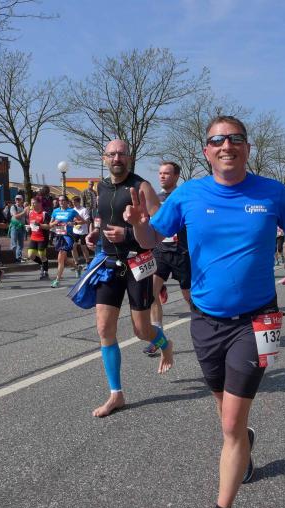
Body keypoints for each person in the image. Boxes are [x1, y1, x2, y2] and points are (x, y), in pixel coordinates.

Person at [124, 115, 285, 508]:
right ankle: (243, 446)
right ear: (207, 151)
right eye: (218, 140)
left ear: (247, 148)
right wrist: (139, 226)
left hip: (258, 320)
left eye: (235, 139)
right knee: (225, 413)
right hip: (205, 320)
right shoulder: (188, 194)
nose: (227, 145)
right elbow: (151, 241)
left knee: (232, 422)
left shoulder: (272, 192)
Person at [84, 138, 175, 418]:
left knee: (142, 331)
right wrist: (95, 235)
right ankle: (116, 394)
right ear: (104, 158)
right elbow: (104, 219)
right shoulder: (100, 187)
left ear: (129, 158)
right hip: (109, 264)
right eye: (111, 154)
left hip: (138, 262)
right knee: (104, 329)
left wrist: (128, 233)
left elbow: (159, 230)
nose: (116, 158)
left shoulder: (142, 187)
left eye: (121, 154)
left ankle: (165, 344)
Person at [143, 161, 192, 357]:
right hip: (161, 251)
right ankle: (158, 338)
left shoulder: (184, 197)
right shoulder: (155, 199)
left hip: (182, 253)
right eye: (160, 173)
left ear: (176, 176)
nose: (162, 176)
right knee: (151, 292)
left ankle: (208, 328)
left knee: (189, 297)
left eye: (167, 173)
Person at [48, 195, 83, 288]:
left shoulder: (72, 211)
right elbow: (50, 224)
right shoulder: (55, 211)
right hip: (59, 236)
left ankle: (57, 280)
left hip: (68, 237)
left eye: (63, 200)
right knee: (64, 259)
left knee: (60, 258)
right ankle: (77, 267)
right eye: (59, 200)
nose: (61, 202)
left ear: (67, 202)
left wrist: (74, 223)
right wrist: (54, 223)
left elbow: (83, 221)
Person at [26, 197, 51, 280]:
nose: (32, 205)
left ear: (40, 204)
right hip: (33, 237)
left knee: (42, 255)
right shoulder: (30, 213)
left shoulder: (44, 214)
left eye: (34, 203)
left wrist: (39, 225)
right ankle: (42, 265)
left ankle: (45, 272)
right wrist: (29, 227)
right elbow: (32, 224)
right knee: (30, 255)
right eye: (31, 203)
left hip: (42, 238)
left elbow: (48, 226)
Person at [70, 195, 92, 267]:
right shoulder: (72, 210)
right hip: (75, 231)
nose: (73, 204)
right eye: (72, 202)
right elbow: (71, 220)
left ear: (78, 202)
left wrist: (76, 223)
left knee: (83, 247)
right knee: (73, 247)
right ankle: (76, 263)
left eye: (74, 202)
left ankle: (88, 262)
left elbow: (87, 221)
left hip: (83, 231)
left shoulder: (84, 210)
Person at [8, 194, 28, 263]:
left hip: (21, 227)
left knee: (21, 244)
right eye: (16, 199)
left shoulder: (23, 207)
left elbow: (25, 217)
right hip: (14, 227)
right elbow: (16, 216)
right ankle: (13, 258)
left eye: (19, 199)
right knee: (13, 243)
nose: (17, 200)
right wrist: (24, 212)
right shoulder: (13, 207)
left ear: (22, 200)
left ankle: (18, 257)